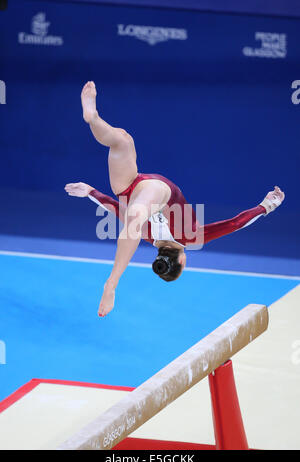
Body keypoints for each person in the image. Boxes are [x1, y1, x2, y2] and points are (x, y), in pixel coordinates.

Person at [65, 81, 285, 317]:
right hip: (128, 188)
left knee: (135, 216)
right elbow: (116, 209)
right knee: (122, 142)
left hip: (154, 191)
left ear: (182, 261)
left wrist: (266, 207)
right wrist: (90, 191)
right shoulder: (150, 238)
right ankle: (93, 117)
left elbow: (234, 223)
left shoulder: (191, 239)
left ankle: (112, 283)